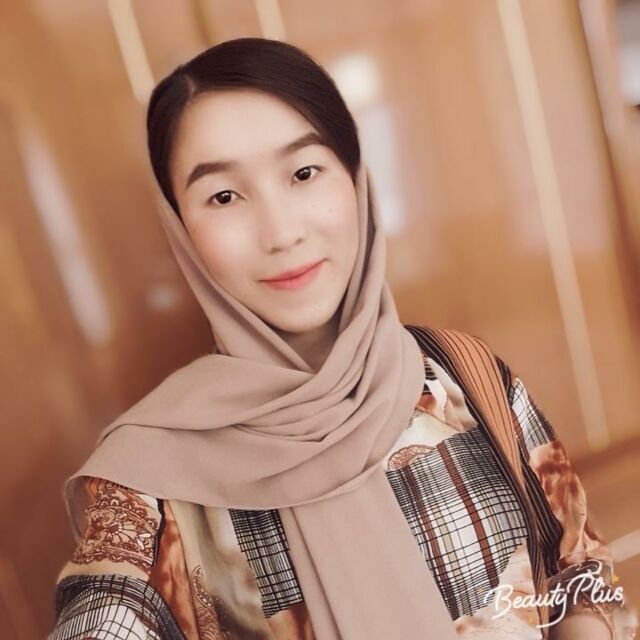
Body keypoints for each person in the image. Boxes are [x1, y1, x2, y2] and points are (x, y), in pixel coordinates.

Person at [47, 38, 633, 640]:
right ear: (180, 228)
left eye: (304, 173)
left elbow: (578, 567)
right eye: (223, 196)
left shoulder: (464, 371)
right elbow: (108, 609)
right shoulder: (146, 485)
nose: (281, 233)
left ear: (355, 179)